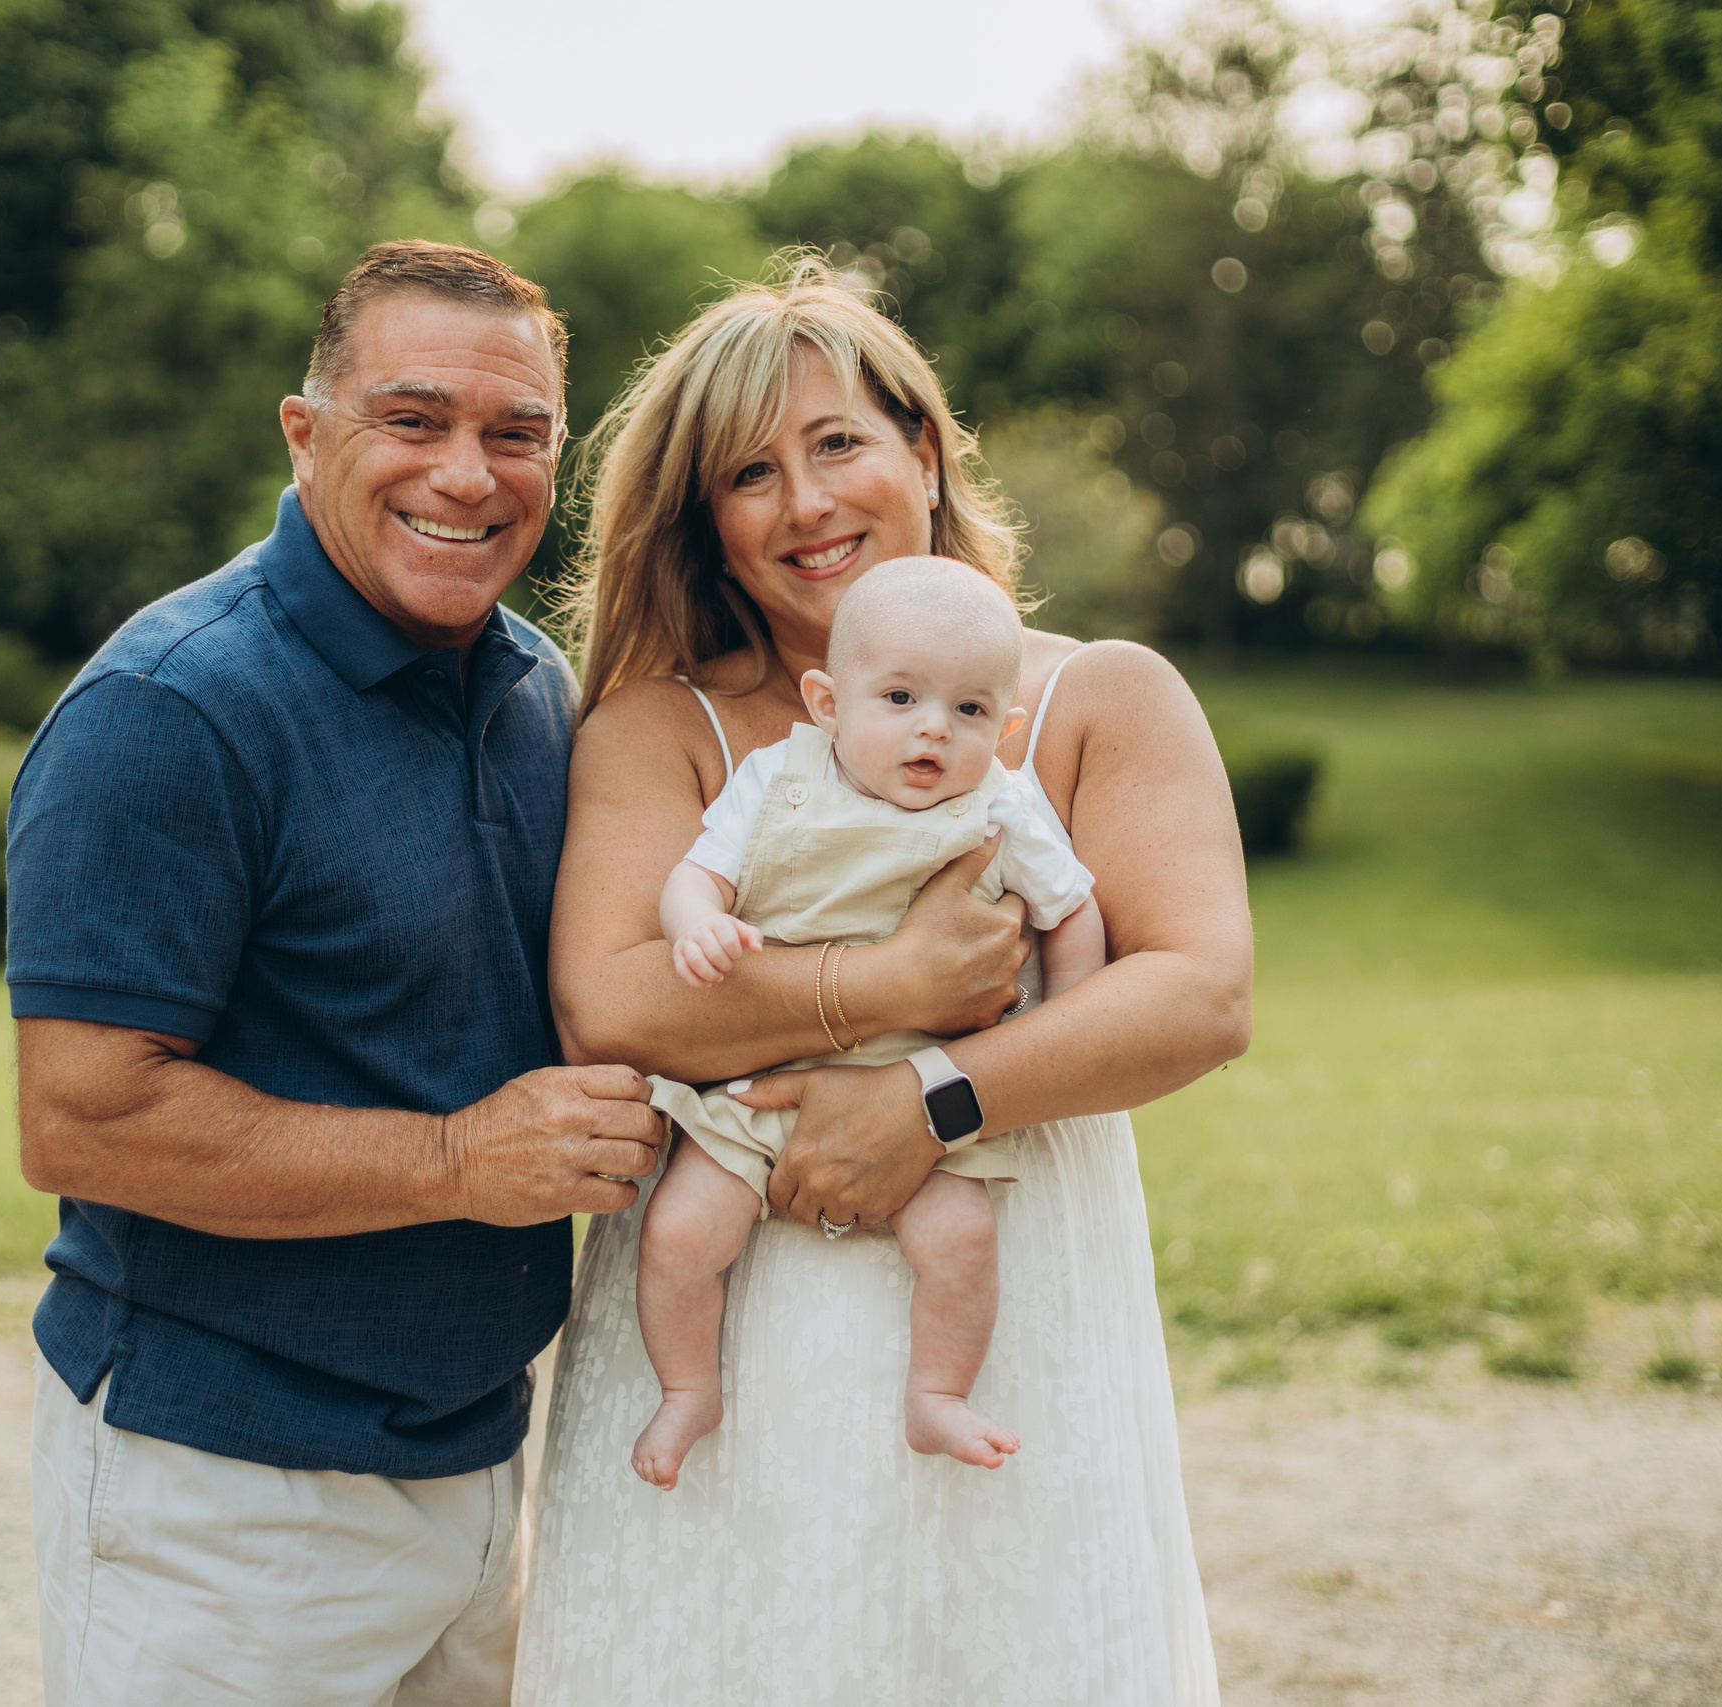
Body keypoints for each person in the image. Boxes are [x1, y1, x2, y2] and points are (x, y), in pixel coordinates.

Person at [516, 260, 1250, 1705]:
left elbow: (1197, 995)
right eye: (749, 472)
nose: (804, 501)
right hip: (734, 1310)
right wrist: (890, 980)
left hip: (1007, 1281)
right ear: (708, 526)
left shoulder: (1100, 698)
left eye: (837, 441)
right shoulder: (662, 729)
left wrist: (935, 1096)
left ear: (922, 447)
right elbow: (611, 998)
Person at [6, 241, 663, 1707]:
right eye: (411, 419)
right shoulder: (168, 709)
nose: (468, 473)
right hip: (223, 1492)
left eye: (517, 434)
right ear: (305, 434)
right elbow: (84, 1118)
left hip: (483, 1456)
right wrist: (458, 1155)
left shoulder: (540, 692)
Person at [632, 555, 1106, 1489]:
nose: (934, 726)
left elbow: (1072, 908)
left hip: (925, 1081)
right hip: (762, 1062)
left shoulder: (1003, 804)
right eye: (899, 697)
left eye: (970, 711)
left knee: (960, 1240)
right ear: (826, 701)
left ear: (1004, 729)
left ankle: (937, 1394)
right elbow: (697, 875)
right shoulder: (776, 778)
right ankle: (688, 1388)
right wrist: (698, 928)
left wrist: (1068, 1017)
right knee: (682, 1233)